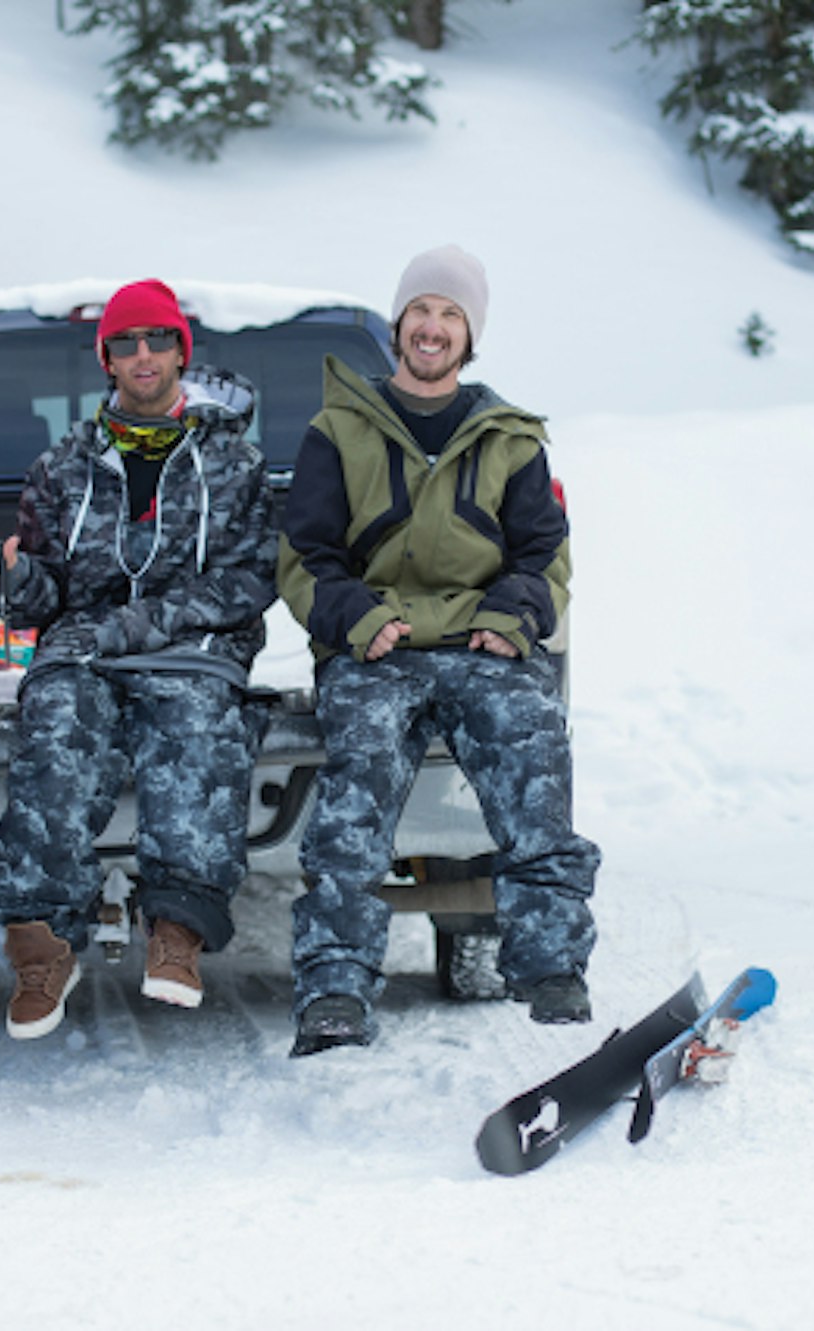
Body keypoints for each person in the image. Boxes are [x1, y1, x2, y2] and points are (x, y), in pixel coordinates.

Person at [276, 245, 600, 1056]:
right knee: (358, 784)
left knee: (535, 744)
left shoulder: (511, 439)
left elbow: (544, 556)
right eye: (422, 309)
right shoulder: (337, 430)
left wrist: (512, 618)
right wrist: (354, 616)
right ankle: (335, 983)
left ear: (469, 335)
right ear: (398, 324)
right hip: (376, 646)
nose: (433, 326)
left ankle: (551, 962)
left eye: (451, 314)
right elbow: (303, 555)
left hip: (481, 644)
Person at [0, 278, 276, 1039]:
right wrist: (11, 579)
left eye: (158, 340)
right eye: (127, 343)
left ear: (183, 351)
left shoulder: (234, 465)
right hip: (84, 653)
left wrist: (137, 625)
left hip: (194, 652)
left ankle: (177, 930)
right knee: (55, 732)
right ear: (105, 359)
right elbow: (49, 590)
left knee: (198, 730)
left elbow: (248, 580)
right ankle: (42, 943)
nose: (143, 355)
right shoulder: (62, 467)